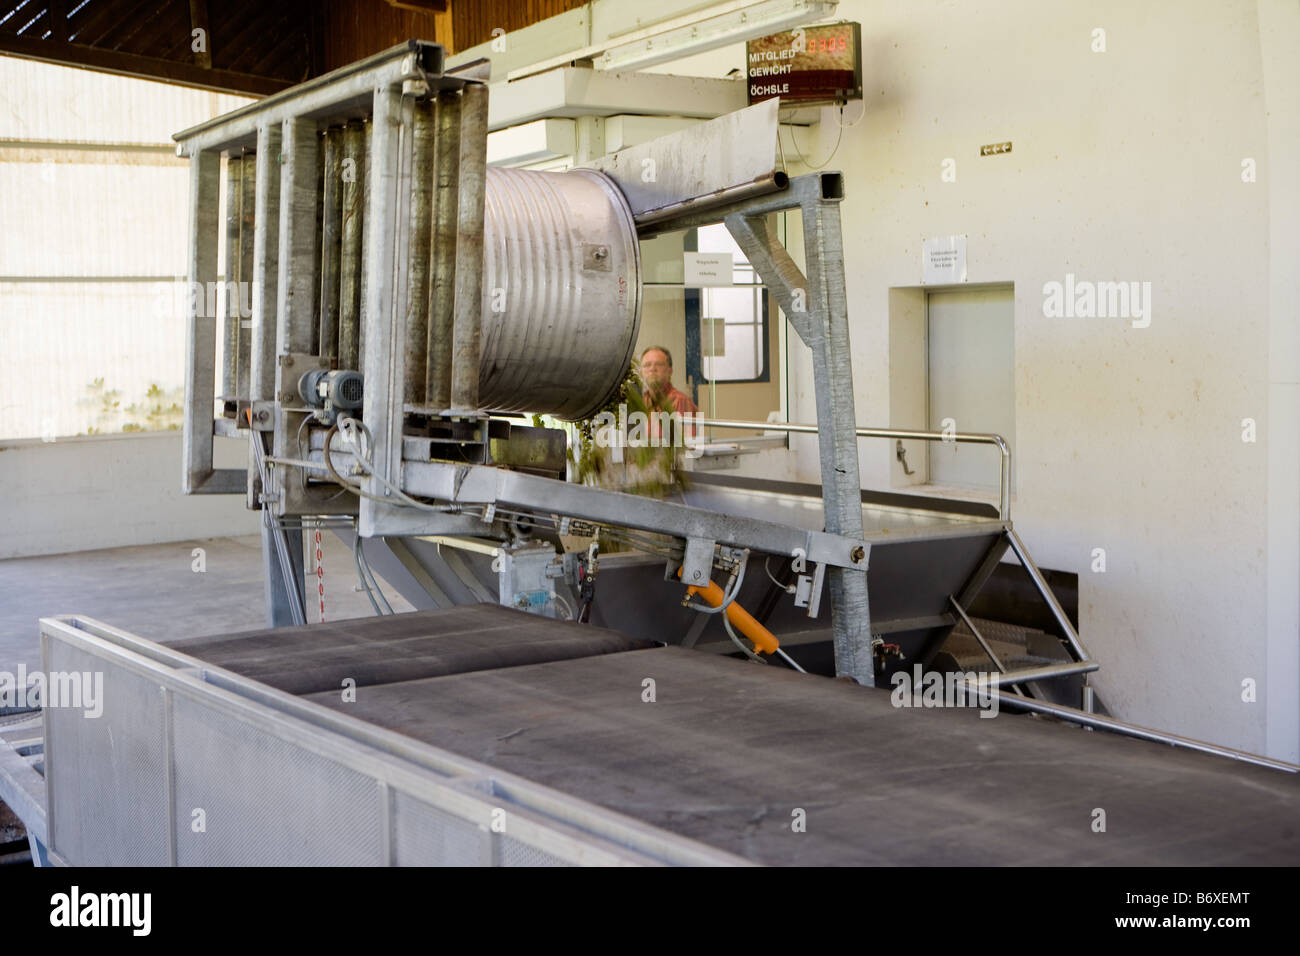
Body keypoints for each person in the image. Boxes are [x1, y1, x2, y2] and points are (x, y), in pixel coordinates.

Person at [639, 346, 698, 416]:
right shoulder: (641, 401)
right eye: (647, 365)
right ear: (641, 372)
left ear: (670, 371)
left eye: (658, 364)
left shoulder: (681, 401)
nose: (652, 369)